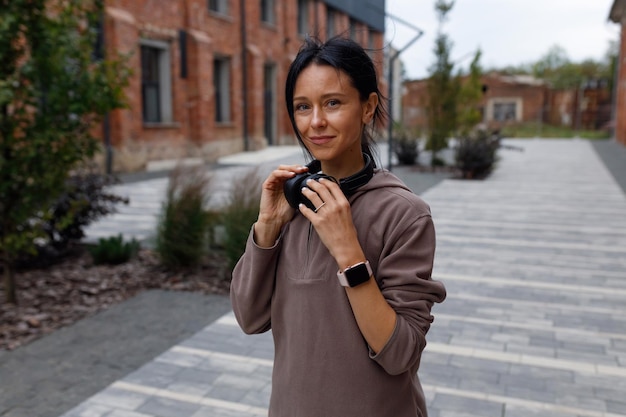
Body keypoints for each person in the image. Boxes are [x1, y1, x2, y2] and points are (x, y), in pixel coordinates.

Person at [230, 35, 446, 417]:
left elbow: (399, 353)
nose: (316, 122)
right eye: (302, 107)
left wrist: (349, 252)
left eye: (333, 103)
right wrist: (266, 227)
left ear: (368, 107)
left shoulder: (404, 214)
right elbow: (249, 318)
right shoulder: (293, 200)